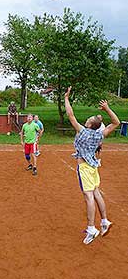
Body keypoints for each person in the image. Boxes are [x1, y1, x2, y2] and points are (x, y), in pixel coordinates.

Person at [65, 86, 120, 245]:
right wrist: (107, 109)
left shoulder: (82, 131)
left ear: (89, 124)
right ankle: (104, 221)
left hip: (85, 168)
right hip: (94, 167)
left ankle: (91, 228)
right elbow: (116, 122)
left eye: (88, 119)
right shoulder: (100, 134)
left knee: (88, 196)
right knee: (96, 192)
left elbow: (70, 114)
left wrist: (66, 98)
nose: (87, 119)